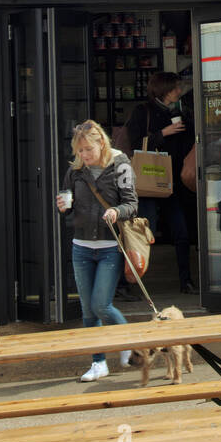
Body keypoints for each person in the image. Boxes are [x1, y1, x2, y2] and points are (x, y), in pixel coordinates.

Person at [57, 119, 137, 382]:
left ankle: (127, 342)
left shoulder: (120, 165)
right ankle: (98, 362)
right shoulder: (75, 171)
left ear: (101, 143)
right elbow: (68, 198)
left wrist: (116, 211)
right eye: (79, 151)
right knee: (88, 311)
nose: (84, 156)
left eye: (88, 150)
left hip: (109, 247)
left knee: (100, 305)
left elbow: (131, 204)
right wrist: (63, 205)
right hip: (81, 246)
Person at [124, 73, 195, 294]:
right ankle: (129, 283)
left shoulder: (180, 113)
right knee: (145, 233)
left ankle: (186, 282)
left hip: (172, 183)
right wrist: (163, 133)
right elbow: (134, 143)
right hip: (148, 182)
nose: (179, 90)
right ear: (164, 90)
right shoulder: (142, 112)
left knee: (182, 233)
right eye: (175, 87)